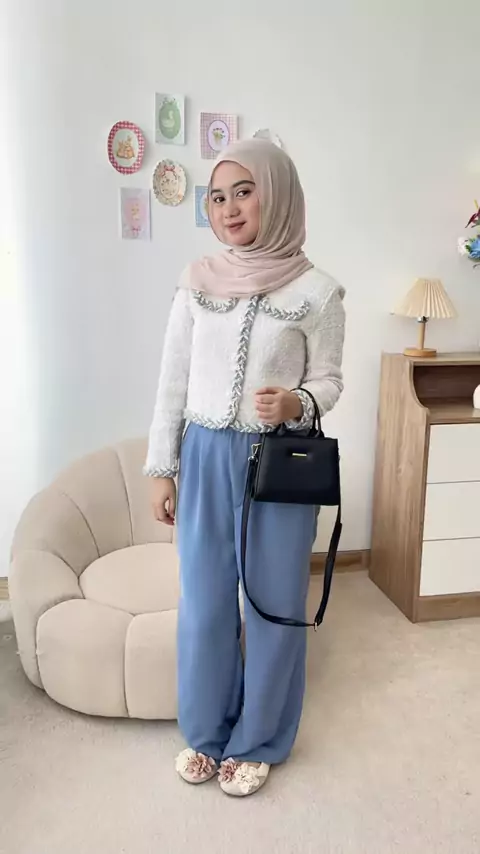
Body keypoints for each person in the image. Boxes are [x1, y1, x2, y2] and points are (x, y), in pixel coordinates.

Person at [144, 139, 345, 797]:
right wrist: (162, 468)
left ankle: (258, 739)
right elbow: (172, 382)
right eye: (217, 197)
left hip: (278, 464)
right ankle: (206, 731)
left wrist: (296, 402)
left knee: (274, 605)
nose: (229, 208)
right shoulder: (197, 282)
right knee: (204, 603)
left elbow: (330, 379)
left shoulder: (318, 291)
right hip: (204, 457)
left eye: (244, 192)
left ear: (278, 195)